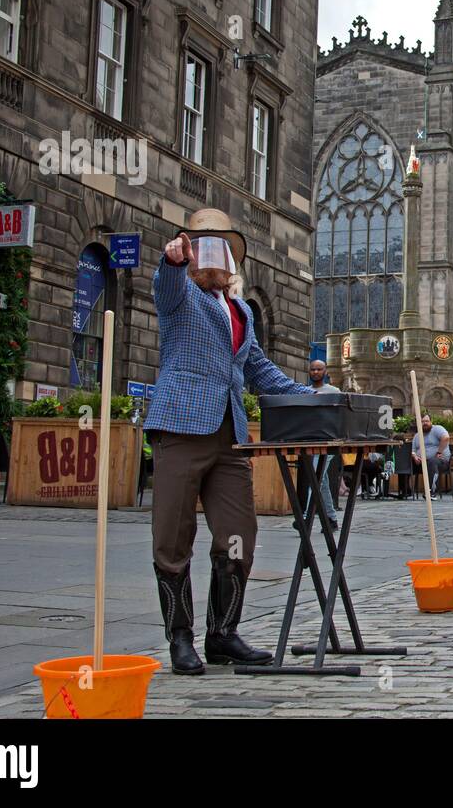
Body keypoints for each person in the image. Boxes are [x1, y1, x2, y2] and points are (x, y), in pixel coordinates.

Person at [145, 210, 316, 675]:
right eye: (202, 246)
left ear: (232, 263)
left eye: (219, 248)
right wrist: (173, 262)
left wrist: (313, 397)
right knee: (173, 537)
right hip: (181, 426)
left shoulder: (241, 311)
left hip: (230, 437)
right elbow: (164, 289)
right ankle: (180, 637)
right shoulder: (181, 296)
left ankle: (222, 634)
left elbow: (260, 372)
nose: (211, 257)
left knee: (239, 534)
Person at [307, 360, 342, 527]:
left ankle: (307, 518)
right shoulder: (304, 391)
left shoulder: (334, 391)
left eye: (319, 369)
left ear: (325, 371)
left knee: (316, 475)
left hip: (328, 441)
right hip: (311, 439)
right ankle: (331, 517)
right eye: (313, 369)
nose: (315, 372)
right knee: (322, 479)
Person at [411, 412, 450, 499]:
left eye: (427, 421)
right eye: (422, 421)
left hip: (441, 461)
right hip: (422, 463)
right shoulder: (417, 436)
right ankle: (405, 491)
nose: (425, 423)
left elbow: (446, 438)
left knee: (432, 462)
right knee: (405, 461)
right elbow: (413, 450)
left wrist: (439, 452)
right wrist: (415, 456)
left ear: (431, 422)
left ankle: (431, 492)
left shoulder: (437, 429)